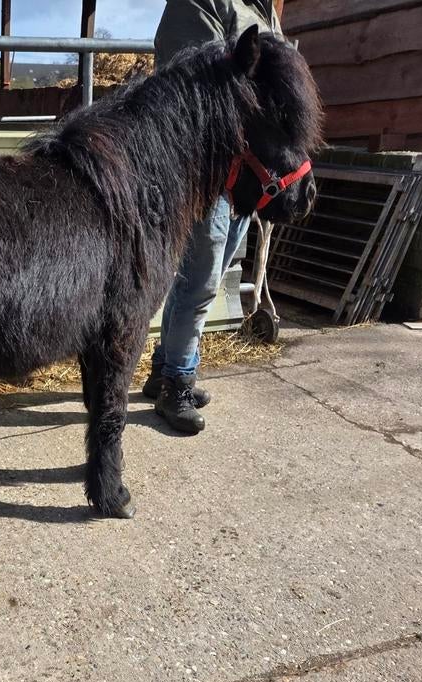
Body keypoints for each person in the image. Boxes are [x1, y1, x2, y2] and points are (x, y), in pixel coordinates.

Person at [143, 0, 282, 434]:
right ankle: (177, 386)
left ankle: (164, 368)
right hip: (208, 165)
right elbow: (194, 78)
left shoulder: (260, 6)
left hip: (249, 166)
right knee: (199, 280)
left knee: (213, 269)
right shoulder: (198, 3)